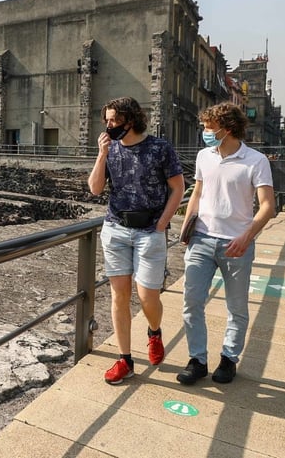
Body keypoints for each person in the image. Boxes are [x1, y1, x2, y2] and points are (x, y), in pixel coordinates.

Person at [177, 102, 275, 385]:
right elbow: (197, 192)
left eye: (209, 127)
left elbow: (268, 206)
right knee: (191, 302)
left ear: (227, 129)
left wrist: (247, 236)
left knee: (236, 307)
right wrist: (187, 227)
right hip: (202, 239)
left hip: (237, 244)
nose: (205, 132)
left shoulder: (256, 161)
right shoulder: (204, 156)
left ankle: (229, 359)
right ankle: (197, 360)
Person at [88, 97, 185, 384]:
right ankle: (125, 360)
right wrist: (101, 155)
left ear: (131, 120)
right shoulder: (111, 149)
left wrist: (163, 223)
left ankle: (154, 332)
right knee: (118, 296)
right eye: (106, 120)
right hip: (116, 229)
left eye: (115, 120)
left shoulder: (159, 148)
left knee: (147, 296)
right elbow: (94, 189)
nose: (109, 126)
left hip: (149, 232)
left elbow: (178, 187)